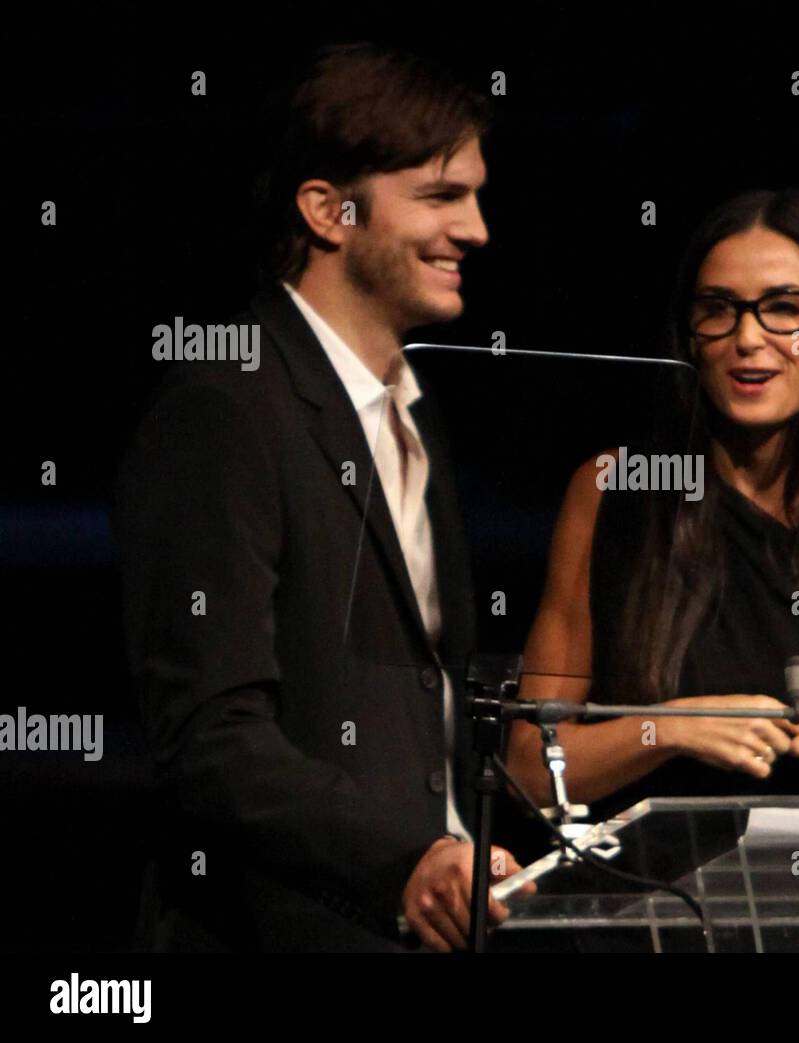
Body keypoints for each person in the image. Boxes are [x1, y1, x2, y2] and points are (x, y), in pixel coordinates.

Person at [115, 42, 533, 953]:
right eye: (440, 196)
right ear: (327, 211)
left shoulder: (413, 415)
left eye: (476, 196)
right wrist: (403, 862)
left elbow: (428, 707)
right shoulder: (224, 403)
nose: (477, 231)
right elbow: (211, 737)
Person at [505, 188, 799, 822]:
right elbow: (530, 768)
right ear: (690, 333)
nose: (748, 337)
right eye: (719, 310)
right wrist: (668, 729)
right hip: (667, 910)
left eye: (784, 309)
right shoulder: (616, 493)